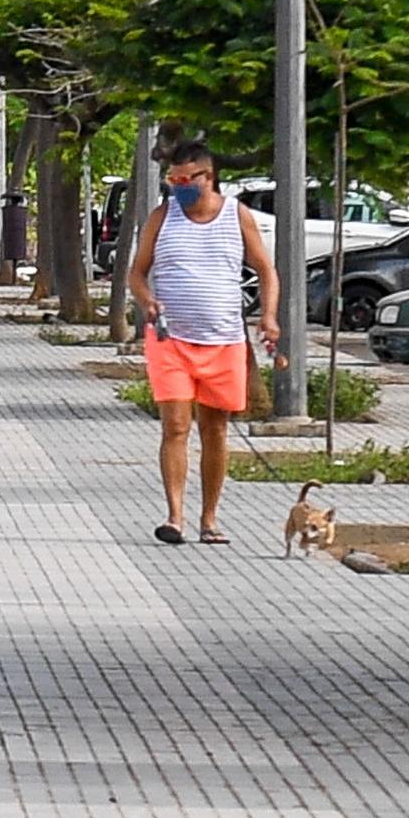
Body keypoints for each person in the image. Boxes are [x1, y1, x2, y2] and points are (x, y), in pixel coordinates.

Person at [126, 140, 280, 546]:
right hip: (170, 339)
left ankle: (209, 519)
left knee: (215, 429)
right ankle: (174, 516)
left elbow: (266, 270)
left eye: (184, 179)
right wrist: (147, 300)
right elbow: (137, 273)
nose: (178, 187)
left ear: (208, 177)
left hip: (224, 341)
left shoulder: (237, 216)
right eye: (172, 180)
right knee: (176, 426)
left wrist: (268, 316)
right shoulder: (163, 216)